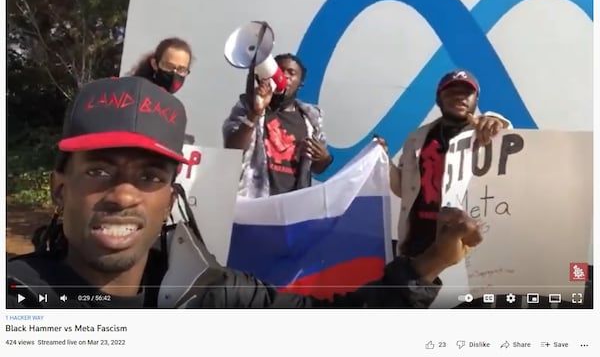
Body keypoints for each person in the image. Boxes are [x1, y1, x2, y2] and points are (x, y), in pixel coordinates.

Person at [7, 76, 484, 309]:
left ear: (172, 194)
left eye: (150, 177)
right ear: (58, 186)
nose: (124, 195)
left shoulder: (219, 295)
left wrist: (431, 264)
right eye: (100, 172)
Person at [376, 69, 512, 257]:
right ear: (439, 100)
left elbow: (511, 144)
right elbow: (404, 190)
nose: (459, 97)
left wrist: (497, 121)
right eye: (451, 92)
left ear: (476, 99)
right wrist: (384, 159)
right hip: (416, 239)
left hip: (460, 243)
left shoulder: (487, 134)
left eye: (466, 93)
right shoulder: (417, 138)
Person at [223, 53, 333, 198]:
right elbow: (233, 148)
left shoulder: (310, 119)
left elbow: (318, 168)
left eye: (291, 73)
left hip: (291, 207)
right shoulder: (249, 106)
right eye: (280, 71)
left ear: (301, 83)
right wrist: (255, 113)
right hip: (254, 203)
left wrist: (325, 159)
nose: (285, 76)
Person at [127, 37, 192, 95]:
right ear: (154, 64)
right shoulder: (135, 93)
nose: (174, 73)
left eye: (181, 69)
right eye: (168, 66)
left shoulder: (172, 104)